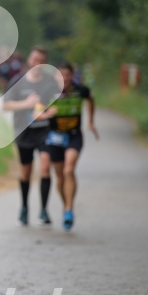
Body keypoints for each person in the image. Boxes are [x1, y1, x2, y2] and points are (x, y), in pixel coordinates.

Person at [37, 61, 98, 230]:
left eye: (68, 75)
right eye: (61, 75)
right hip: (55, 138)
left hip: (73, 136)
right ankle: (66, 207)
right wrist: (46, 114)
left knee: (69, 170)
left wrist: (91, 122)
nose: (65, 78)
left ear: (73, 76)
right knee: (61, 177)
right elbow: (36, 113)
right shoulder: (48, 91)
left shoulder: (81, 90)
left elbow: (91, 100)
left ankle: (69, 209)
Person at [2, 46, 60, 226]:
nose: (37, 63)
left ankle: (43, 210)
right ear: (29, 60)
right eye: (35, 59)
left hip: (45, 131)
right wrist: (26, 103)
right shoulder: (17, 80)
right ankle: (24, 207)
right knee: (26, 172)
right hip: (24, 132)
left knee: (45, 167)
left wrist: (53, 110)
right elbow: (5, 106)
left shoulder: (51, 82)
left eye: (41, 61)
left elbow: (58, 101)